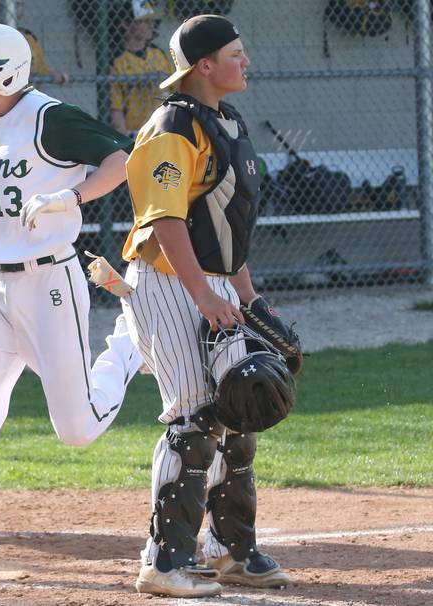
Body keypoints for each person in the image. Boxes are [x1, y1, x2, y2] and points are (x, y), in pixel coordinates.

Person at [0, 22, 142, 582]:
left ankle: (129, 348)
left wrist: (73, 194)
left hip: (49, 284)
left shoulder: (50, 118)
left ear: (11, 71)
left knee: (77, 429)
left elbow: (123, 159)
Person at [119, 15, 291, 597]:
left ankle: (229, 551)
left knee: (238, 411)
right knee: (195, 419)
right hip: (169, 280)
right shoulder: (171, 127)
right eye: (235, 53)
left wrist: (247, 294)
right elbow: (165, 220)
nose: (246, 61)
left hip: (212, 282)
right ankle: (164, 562)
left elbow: (223, 226)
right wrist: (202, 292)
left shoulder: (226, 121)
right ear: (204, 66)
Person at [109, 0, 174, 137]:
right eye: (143, 21)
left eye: (151, 20)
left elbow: (177, 90)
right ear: (125, 25)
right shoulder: (117, 61)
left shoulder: (158, 54)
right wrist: (124, 137)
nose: (151, 25)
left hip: (164, 128)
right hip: (135, 133)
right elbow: (116, 109)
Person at [0, 0, 70, 85]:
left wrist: (53, 75)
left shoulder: (29, 38)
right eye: (10, 4)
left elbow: (41, 70)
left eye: (18, 4)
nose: (13, 9)